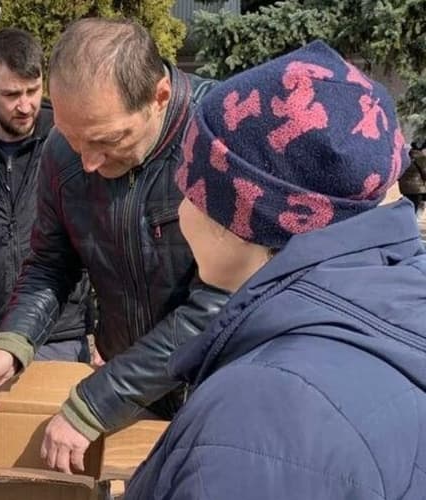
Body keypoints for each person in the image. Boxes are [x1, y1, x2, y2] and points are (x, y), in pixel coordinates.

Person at [126, 41, 426, 499]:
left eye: (190, 187)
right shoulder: (397, 302)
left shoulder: (260, 417)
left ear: (240, 218)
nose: (181, 210)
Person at [0, 17, 229, 473]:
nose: (87, 162)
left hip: (221, 392)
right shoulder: (61, 151)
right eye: (73, 139)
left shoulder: (220, 134)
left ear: (159, 96)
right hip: (135, 395)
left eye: (107, 140)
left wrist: (99, 400)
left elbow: (221, 302)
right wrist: (9, 345)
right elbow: (51, 263)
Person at [0, 28, 91, 362]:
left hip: (60, 336)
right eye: (11, 95)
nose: (25, 106)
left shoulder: (72, 146)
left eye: (32, 90)